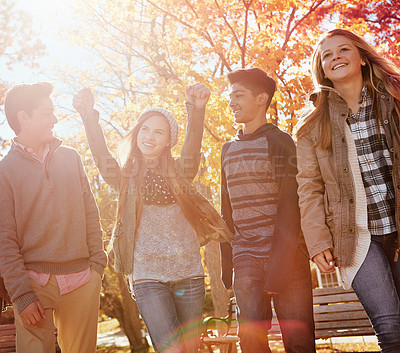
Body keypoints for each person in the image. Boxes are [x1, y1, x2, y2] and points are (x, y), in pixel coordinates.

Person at [73, 84, 233, 353]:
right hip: (147, 276)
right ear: (136, 134)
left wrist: (197, 110)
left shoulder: (181, 172)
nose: (150, 136)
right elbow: (101, 157)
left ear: (169, 140)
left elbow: (193, 147)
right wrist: (88, 116)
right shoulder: (124, 178)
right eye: (145, 129)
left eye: (159, 132)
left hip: (188, 273)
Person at [296, 28, 400, 352]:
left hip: (397, 223)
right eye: (327, 55)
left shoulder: (394, 101)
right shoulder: (313, 125)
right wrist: (317, 242)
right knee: (390, 325)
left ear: (362, 59)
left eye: (343, 50)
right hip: (355, 236)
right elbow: (308, 187)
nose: (336, 57)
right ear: (322, 69)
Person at [0, 82, 107, 353]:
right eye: (47, 113)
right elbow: (5, 239)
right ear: (24, 117)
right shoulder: (5, 171)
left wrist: (97, 265)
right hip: (33, 283)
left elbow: (90, 214)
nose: (55, 119)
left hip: (83, 278)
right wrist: (22, 295)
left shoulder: (71, 158)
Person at [219, 68, 315, 353]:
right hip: (245, 256)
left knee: (298, 341)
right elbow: (227, 208)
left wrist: (279, 264)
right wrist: (229, 260)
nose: (231, 102)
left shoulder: (280, 141)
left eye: (239, 95)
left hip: (287, 258)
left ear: (261, 99)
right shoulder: (227, 149)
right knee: (251, 342)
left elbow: (291, 206)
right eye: (229, 96)